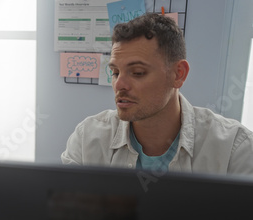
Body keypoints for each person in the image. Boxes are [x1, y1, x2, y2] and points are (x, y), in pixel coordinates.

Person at [61, 13, 253, 175]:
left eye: (137, 73)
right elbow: (65, 216)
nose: (119, 84)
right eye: (115, 72)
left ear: (178, 74)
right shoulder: (88, 138)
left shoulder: (235, 149)